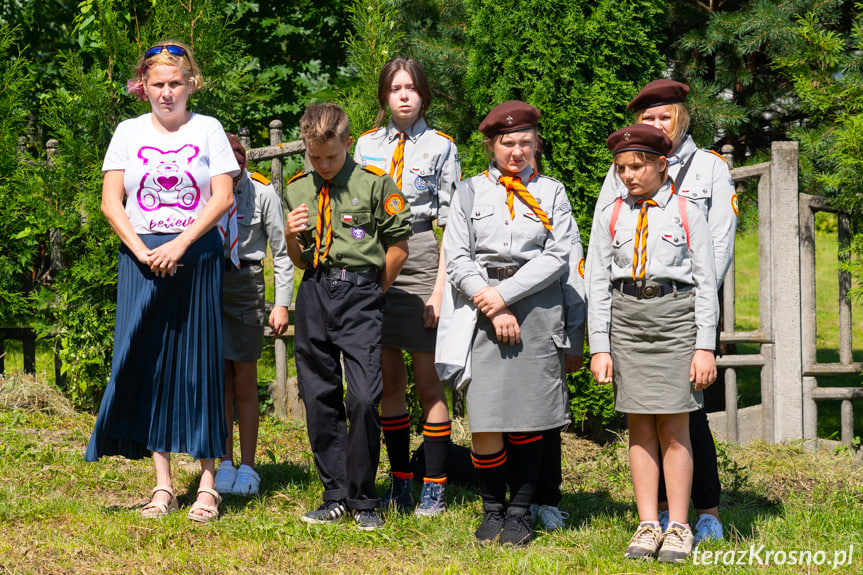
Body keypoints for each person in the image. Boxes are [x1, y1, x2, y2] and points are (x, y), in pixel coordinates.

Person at [85, 41, 239, 524]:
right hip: (140, 257)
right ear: (143, 87)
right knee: (147, 364)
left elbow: (222, 197)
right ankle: (163, 486)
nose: (167, 92)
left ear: (191, 84)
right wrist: (144, 251)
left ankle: (209, 485)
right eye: (158, 84)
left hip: (195, 255)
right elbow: (112, 202)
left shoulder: (208, 128)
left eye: (176, 83)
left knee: (201, 367)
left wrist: (179, 244)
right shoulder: (127, 133)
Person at [588, 78, 736, 543]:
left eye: (663, 116)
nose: (629, 173)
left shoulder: (708, 169)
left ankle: (697, 514)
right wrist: (600, 342)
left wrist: (700, 334)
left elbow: (717, 245)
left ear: (680, 119)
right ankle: (652, 519)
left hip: (684, 309)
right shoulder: (619, 184)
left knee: (686, 422)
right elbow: (598, 264)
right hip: (631, 317)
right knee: (645, 423)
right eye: (646, 118)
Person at [440, 101, 574, 546]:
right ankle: (492, 508)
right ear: (492, 145)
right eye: (507, 143)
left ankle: (520, 511)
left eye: (524, 142)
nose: (516, 151)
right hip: (480, 311)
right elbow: (457, 256)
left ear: (536, 144)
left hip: (537, 310)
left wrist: (506, 295)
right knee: (486, 417)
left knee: (529, 416)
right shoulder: (469, 192)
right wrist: (493, 305)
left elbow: (558, 255)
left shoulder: (553, 193)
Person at [284, 103, 412, 531]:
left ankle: (364, 499)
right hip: (315, 290)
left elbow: (398, 246)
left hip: (360, 293)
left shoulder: (374, 184)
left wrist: (377, 289)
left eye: (331, 157)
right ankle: (335, 495)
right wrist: (289, 235)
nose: (322, 165)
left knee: (361, 398)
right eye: (314, 157)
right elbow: (300, 261)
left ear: (348, 143)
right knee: (319, 395)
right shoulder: (297, 187)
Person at [354, 57, 461, 516]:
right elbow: (355, 208)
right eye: (395, 88)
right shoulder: (363, 145)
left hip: (419, 255)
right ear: (383, 95)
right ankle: (400, 481)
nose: (403, 96)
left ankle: (434, 484)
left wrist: (438, 293)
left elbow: (452, 228)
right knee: (388, 381)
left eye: (411, 88)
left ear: (423, 96)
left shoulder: (441, 147)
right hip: (374, 257)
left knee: (429, 381)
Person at [213, 133, 293, 496]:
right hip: (210, 283)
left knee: (244, 381)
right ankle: (223, 462)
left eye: (241, 153)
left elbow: (282, 251)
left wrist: (281, 303)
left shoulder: (263, 194)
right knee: (220, 383)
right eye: (229, 154)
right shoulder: (204, 191)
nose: (237, 159)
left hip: (246, 282)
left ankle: (248, 466)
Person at [529, 137, 585, 531]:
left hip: (546, 320)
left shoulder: (552, 199)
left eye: (528, 146)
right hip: (497, 318)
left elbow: (572, 271)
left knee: (546, 417)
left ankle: (547, 499)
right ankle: (515, 499)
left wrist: (575, 337)